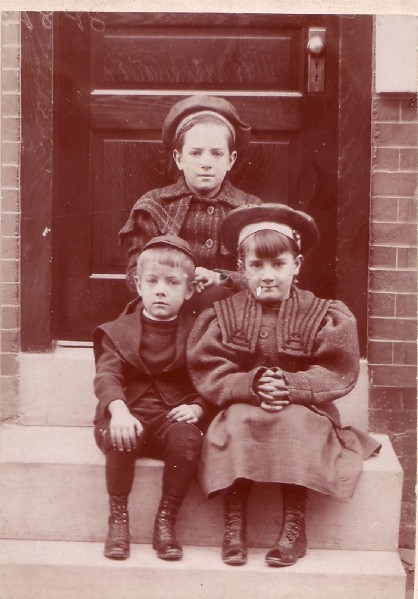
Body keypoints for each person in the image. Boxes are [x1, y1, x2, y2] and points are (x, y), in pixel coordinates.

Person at [187, 203, 381, 568]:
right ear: (242, 268)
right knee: (238, 421)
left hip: (304, 407)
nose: (267, 276)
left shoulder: (322, 313)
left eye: (278, 264)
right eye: (256, 265)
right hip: (244, 403)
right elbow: (210, 368)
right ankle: (234, 523)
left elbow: (335, 368)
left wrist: (292, 385)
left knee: (295, 423)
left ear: (297, 265)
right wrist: (251, 384)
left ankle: (294, 525)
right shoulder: (224, 313)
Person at [93, 235, 214, 562]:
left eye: (172, 283)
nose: (161, 290)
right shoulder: (118, 331)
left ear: (189, 290)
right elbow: (107, 376)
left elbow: (211, 377)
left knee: (188, 440)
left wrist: (198, 407)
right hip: (127, 413)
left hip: (170, 419)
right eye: (152, 281)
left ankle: (166, 520)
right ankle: (118, 519)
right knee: (120, 435)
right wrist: (118, 411)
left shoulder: (199, 332)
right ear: (138, 285)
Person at [119, 95, 262, 311]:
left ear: (231, 160)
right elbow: (134, 276)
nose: (206, 163)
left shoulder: (250, 210)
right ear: (179, 158)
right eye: (195, 153)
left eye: (217, 154)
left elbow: (261, 279)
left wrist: (221, 278)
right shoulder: (153, 206)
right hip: (168, 312)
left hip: (233, 314)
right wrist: (176, 281)